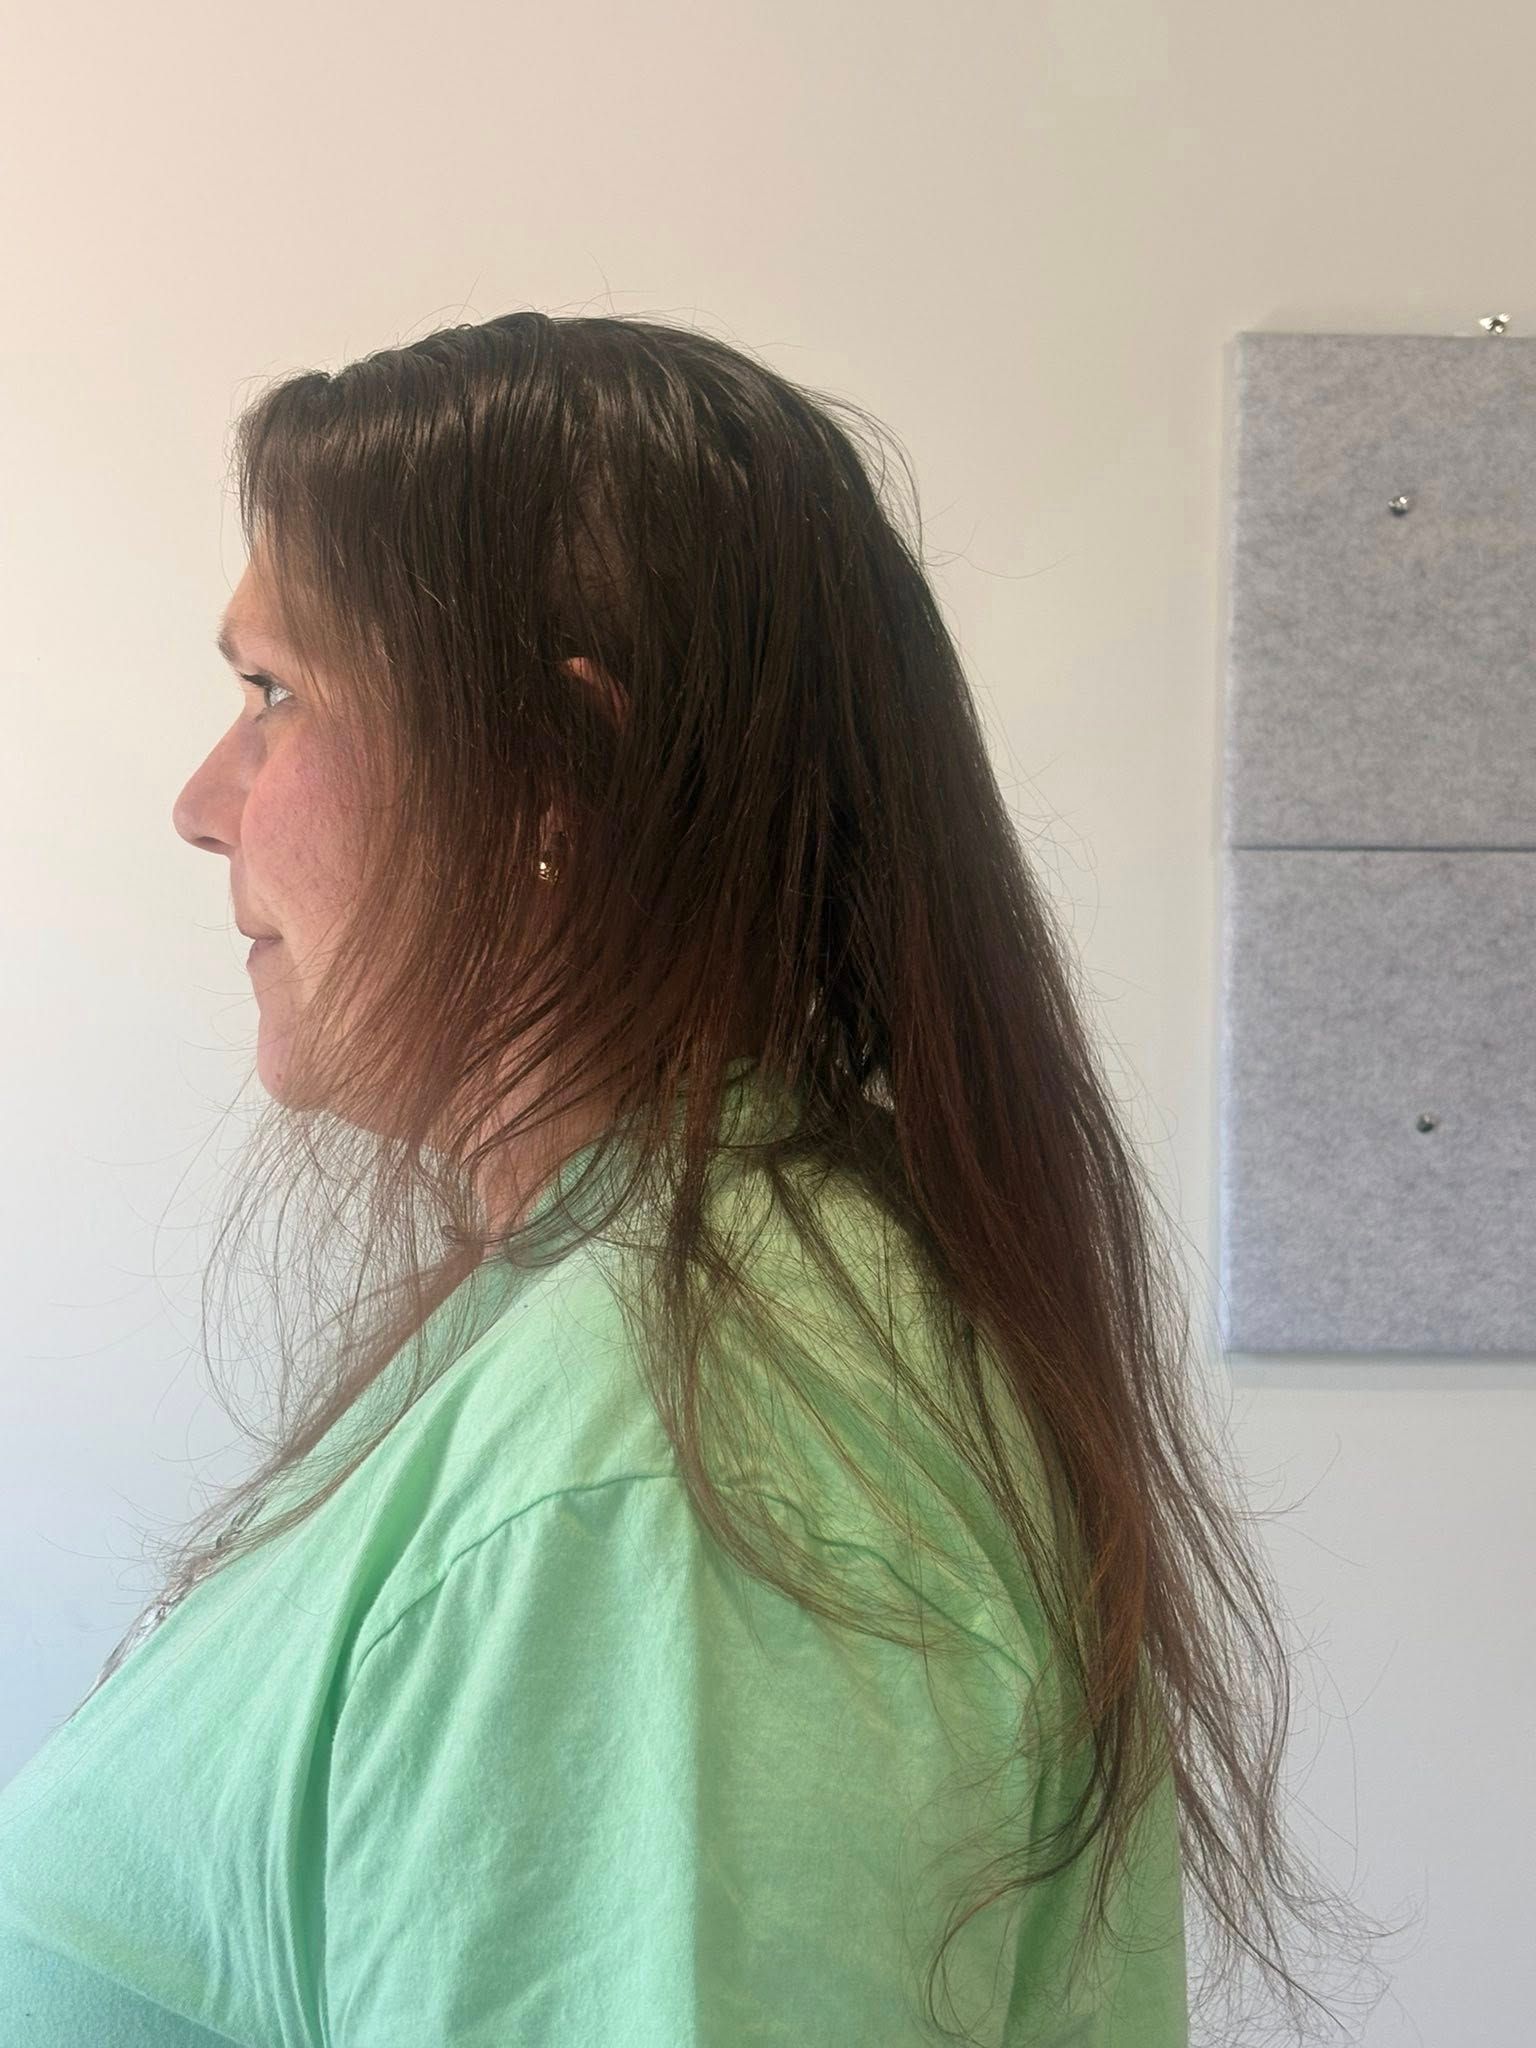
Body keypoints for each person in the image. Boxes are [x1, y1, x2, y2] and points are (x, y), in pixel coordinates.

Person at [0, 312, 1386, 2046]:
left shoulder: (676, 1475)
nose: (207, 801)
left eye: (277, 693)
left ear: (555, 781)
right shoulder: (649, 1297)